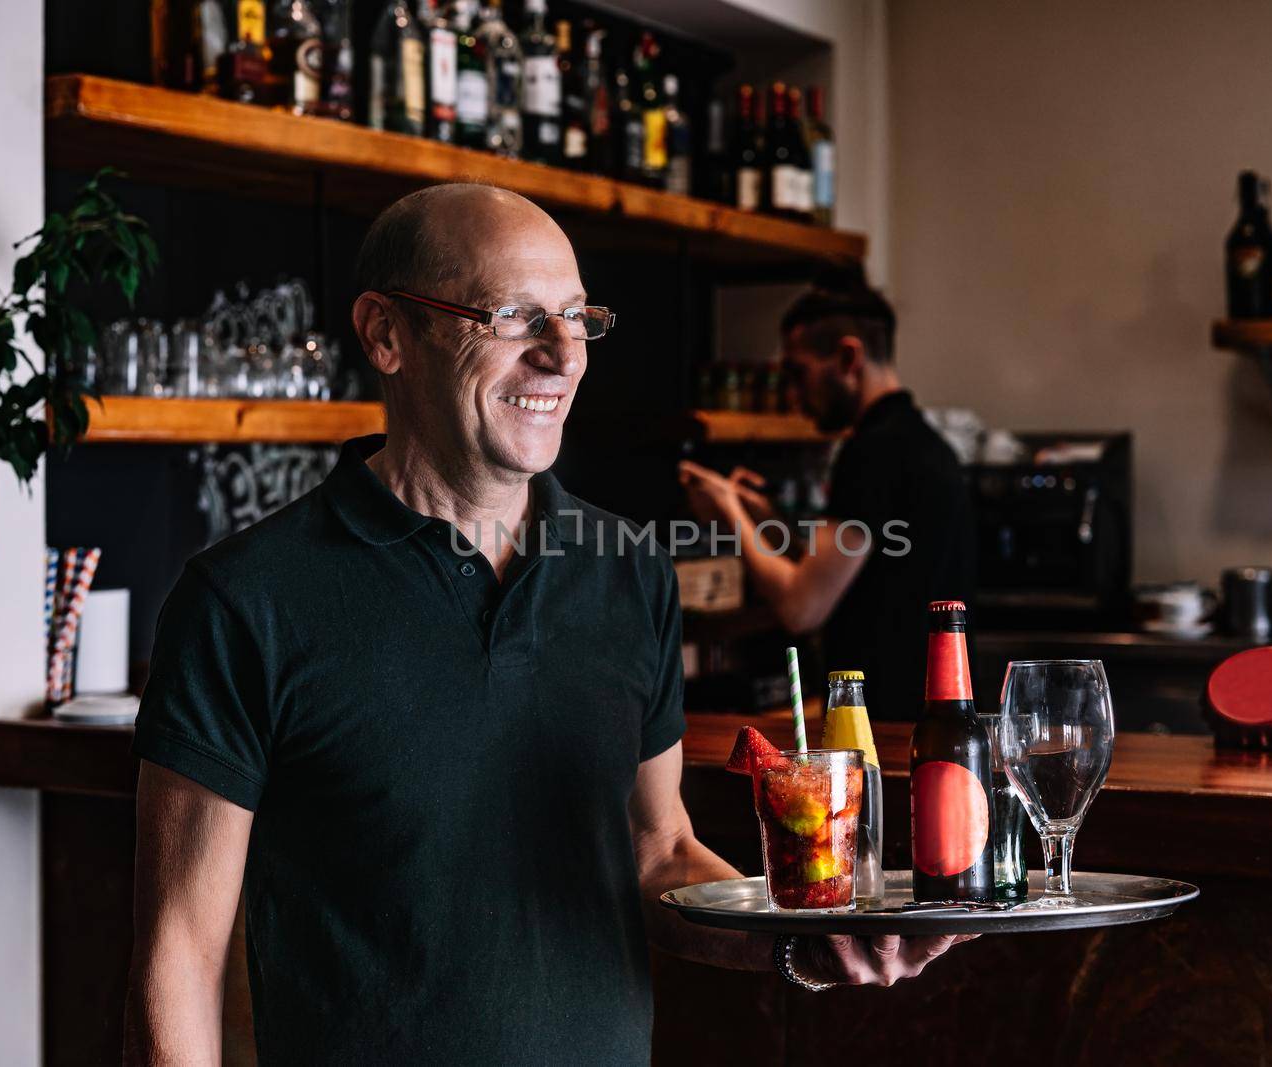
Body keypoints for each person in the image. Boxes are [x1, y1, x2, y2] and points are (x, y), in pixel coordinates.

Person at [123, 185, 968, 1065]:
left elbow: (657, 853)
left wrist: (806, 940)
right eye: (514, 314)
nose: (562, 354)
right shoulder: (245, 598)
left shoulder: (629, 570)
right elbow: (178, 953)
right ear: (385, 333)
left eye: (576, 317)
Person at [680, 273, 974, 720]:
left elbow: (802, 607)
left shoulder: (873, 452)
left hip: (883, 722)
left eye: (799, 374)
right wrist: (767, 517)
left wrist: (730, 512)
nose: (795, 397)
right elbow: (844, 578)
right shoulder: (924, 443)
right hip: (930, 713)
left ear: (848, 357)